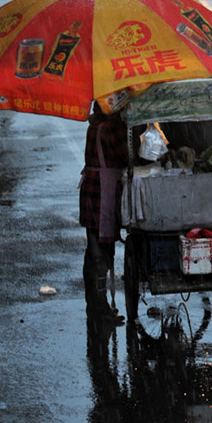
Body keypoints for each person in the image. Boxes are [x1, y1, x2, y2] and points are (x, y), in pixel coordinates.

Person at [80, 101, 127, 324]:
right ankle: (100, 307)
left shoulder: (95, 124)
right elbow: (125, 156)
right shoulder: (111, 128)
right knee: (101, 254)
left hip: (91, 189)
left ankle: (95, 303)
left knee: (94, 249)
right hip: (102, 192)